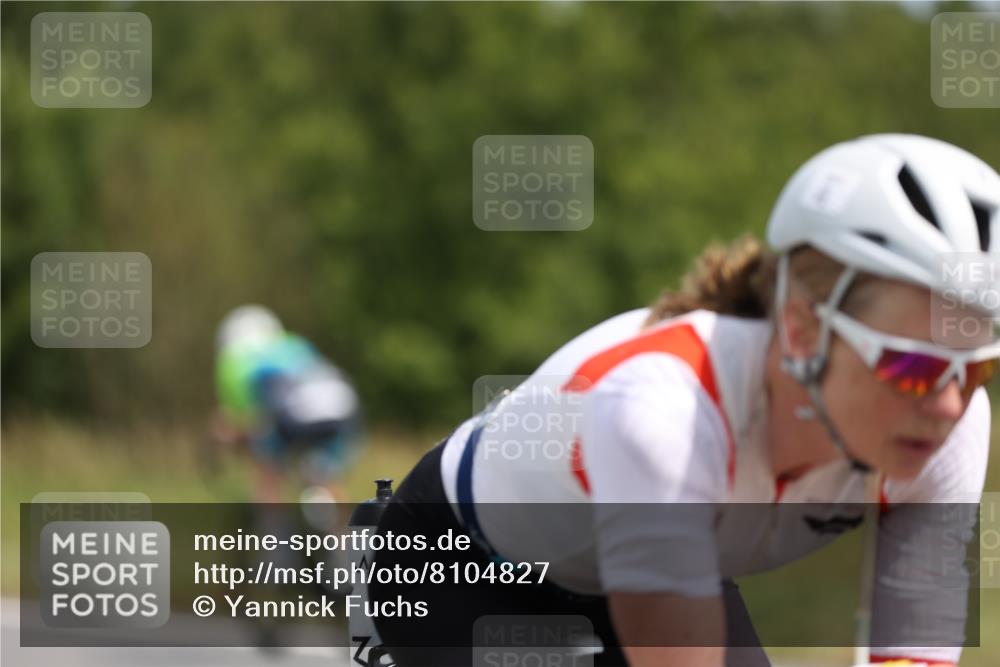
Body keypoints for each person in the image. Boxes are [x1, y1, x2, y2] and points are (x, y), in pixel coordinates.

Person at [367, 134, 1000, 667]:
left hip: (647, 552)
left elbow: (913, 653)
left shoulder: (955, 425)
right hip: (459, 564)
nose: (948, 406)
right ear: (804, 328)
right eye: (912, 366)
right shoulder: (664, 409)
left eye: (978, 371)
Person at [211, 304, 363, 507]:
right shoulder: (296, 344)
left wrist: (228, 435)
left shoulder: (233, 361)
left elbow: (248, 420)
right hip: (343, 406)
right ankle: (343, 531)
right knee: (325, 477)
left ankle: (274, 533)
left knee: (267, 469)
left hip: (294, 414)